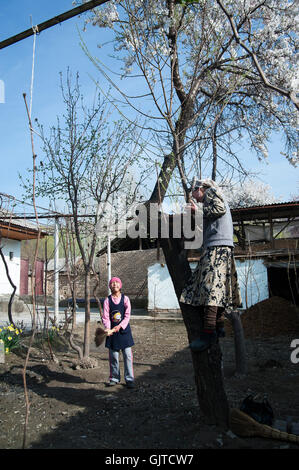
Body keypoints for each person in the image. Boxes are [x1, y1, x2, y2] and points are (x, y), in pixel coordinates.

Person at [180, 179, 242, 352]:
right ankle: (219, 325)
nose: (194, 198)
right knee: (218, 288)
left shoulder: (211, 192)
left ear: (199, 189)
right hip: (220, 246)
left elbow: (218, 210)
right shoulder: (211, 197)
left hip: (217, 247)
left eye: (193, 193)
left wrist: (196, 210)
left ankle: (208, 333)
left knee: (210, 290)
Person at [102, 277, 135, 388]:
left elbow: (127, 315)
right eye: (112, 283)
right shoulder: (107, 300)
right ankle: (114, 378)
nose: (114, 284)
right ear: (110, 286)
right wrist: (108, 328)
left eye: (116, 282)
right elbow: (105, 317)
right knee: (114, 356)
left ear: (120, 285)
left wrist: (120, 326)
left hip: (124, 332)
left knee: (128, 356)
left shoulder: (125, 299)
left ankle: (129, 379)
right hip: (112, 333)